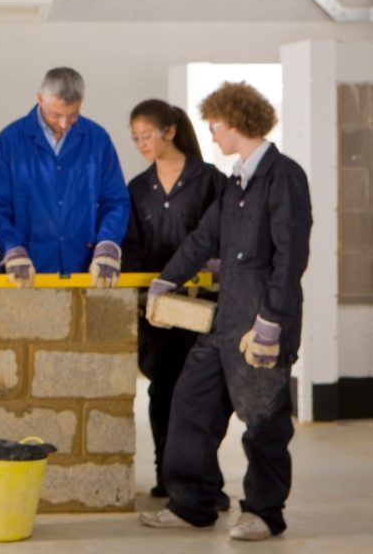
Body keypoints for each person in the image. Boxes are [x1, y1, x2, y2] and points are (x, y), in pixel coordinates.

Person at [139, 82, 311, 542]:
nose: (211, 135)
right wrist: (166, 279)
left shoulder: (284, 177)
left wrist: (271, 322)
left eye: (215, 127)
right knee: (191, 404)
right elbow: (203, 238)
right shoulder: (236, 180)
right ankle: (192, 503)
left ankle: (263, 513)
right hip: (224, 320)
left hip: (262, 324)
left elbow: (289, 258)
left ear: (235, 124)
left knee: (263, 423)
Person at [122, 100, 229, 507]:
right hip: (157, 308)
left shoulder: (210, 181)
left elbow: (219, 238)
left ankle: (205, 480)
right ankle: (168, 475)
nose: (141, 144)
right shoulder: (137, 188)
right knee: (162, 389)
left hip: (202, 304)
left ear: (170, 131)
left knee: (202, 393)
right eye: (135, 137)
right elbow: (131, 245)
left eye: (147, 135)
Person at [0, 67, 129, 286]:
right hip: (26, 272)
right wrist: (10, 247)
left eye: (73, 115)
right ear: (39, 99)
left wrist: (108, 243)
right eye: (56, 114)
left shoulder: (97, 140)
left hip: (85, 270)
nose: (63, 123)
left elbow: (115, 200)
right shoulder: (10, 141)